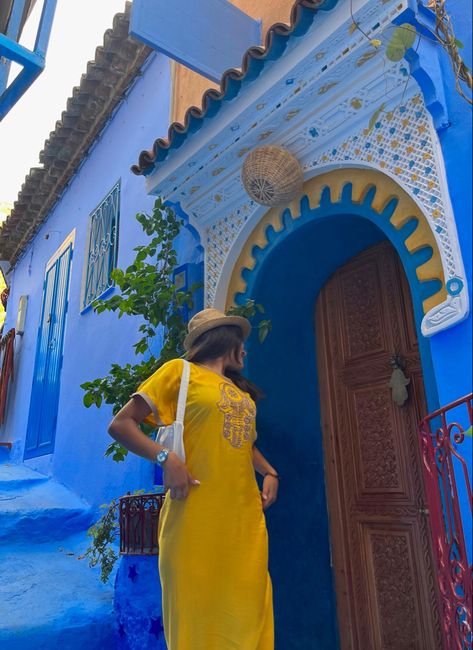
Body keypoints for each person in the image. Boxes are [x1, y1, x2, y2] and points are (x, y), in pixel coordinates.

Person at [108, 308, 279, 649]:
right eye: (241, 343)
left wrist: (270, 472)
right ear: (225, 339)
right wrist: (165, 457)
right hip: (194, 519)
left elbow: (243, 444)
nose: (245, 350)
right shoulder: (180, 373)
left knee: (248, 614)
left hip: (244, 522)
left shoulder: (242, 395)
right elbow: (121, 424)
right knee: (197, 619)